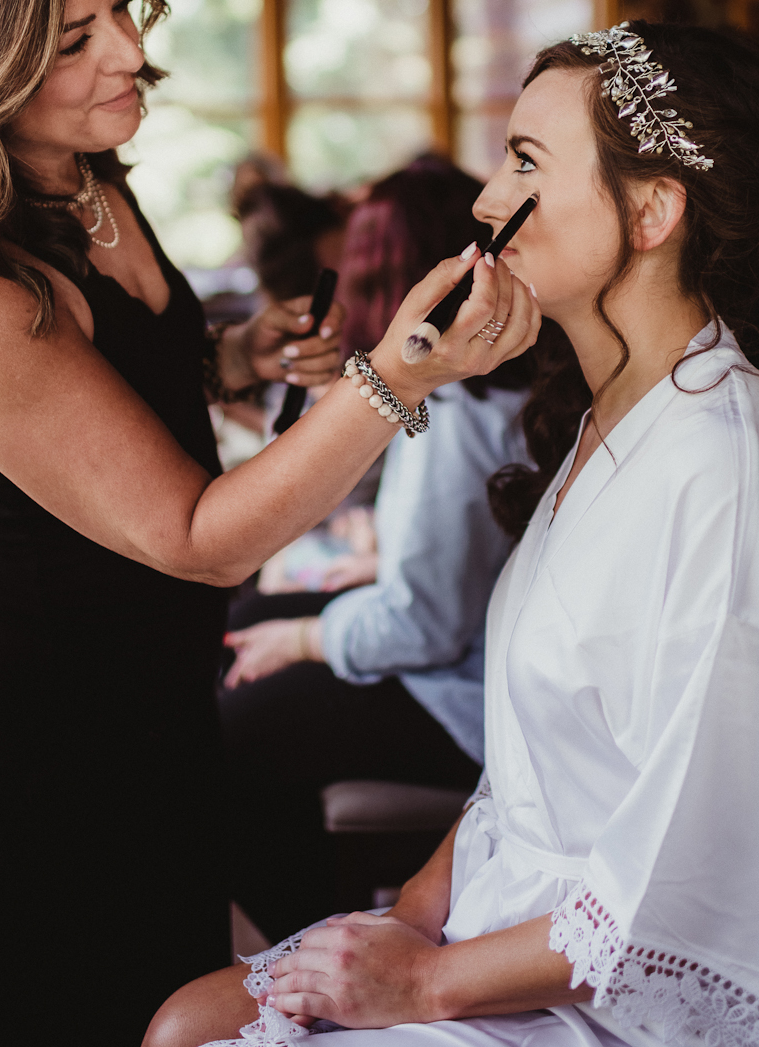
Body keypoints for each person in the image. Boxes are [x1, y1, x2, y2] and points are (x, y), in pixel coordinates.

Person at [0, 0, 540, 1047]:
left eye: (118, 7)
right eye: (69, 39)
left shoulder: (73, 174)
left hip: (148, 688)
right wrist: (400, 373)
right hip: (48, 725)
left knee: (168, 983)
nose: (126, 53)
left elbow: (107, 380)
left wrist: (239, 354)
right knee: (87, 1009)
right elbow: (198, 539)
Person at [145, 22, 759, 1047]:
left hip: (616, 994)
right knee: (180, 1020)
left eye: (524, 162)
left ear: (652, 211)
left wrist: (425, 981)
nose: (483, 200)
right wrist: (406, 919)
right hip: (505, 912)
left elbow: (690, 865)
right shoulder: (607, 418)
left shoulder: (725, 463)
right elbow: (514, 785)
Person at [221, 157, 571, 942]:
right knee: (250, 620)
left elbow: (423, 626)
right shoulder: (488, 385)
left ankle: (316, 943)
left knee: (230, 732)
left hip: (470, 699)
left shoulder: (454, 403)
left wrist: (307, 638)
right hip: (468, 646)